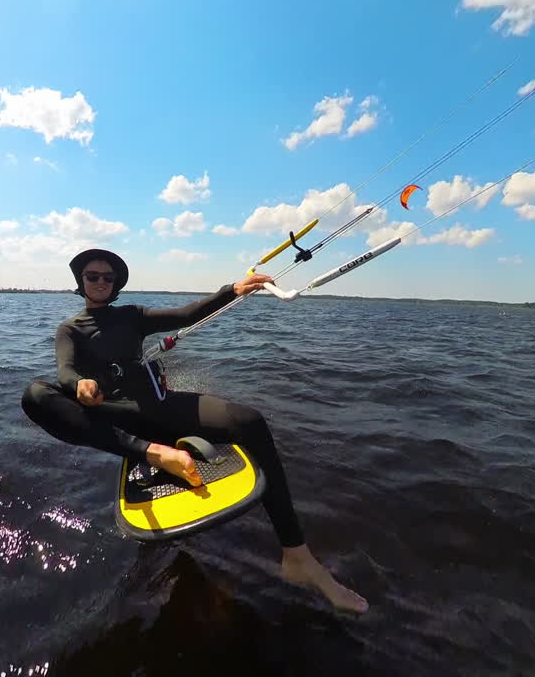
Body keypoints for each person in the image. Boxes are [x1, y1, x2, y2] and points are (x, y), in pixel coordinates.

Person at [21, 248, 368, 613]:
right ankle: (153, 452)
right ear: (81, 281)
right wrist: (78, 385)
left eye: (108, 277)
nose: (101, 282)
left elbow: (186, 313)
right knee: (36, 394)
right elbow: (65, 369)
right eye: (93, 276)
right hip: (119, 414)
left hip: (161, 407)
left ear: (116, 283)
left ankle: (298, 558)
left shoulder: (131, 316)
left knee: (250, 421)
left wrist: (232, 289)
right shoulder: (70, 329)